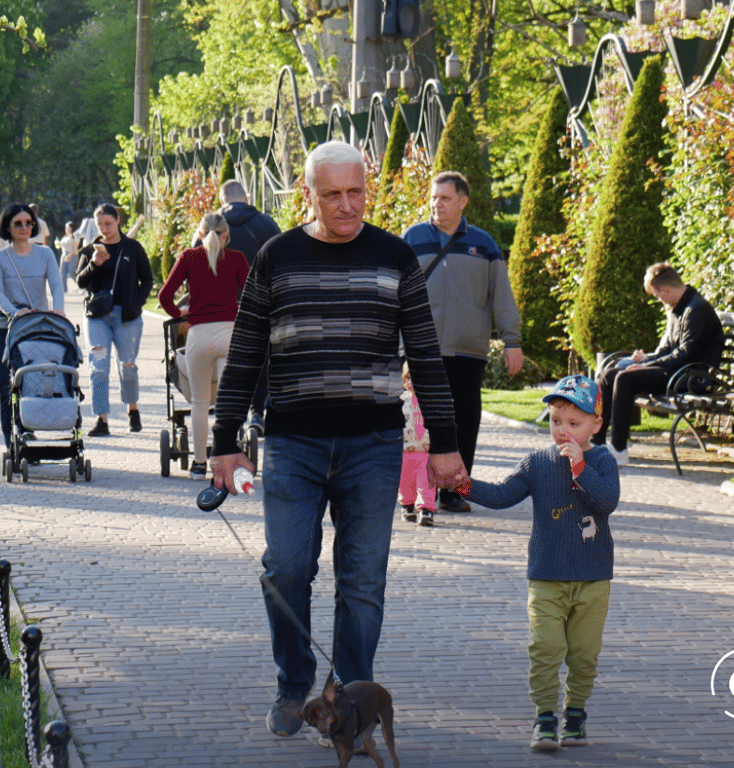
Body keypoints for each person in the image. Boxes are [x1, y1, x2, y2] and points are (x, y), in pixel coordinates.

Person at [208, 141, 467, 739]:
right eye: (332, 195)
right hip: (294, 444)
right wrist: (224, 440)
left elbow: (425, 355)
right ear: (309, 194)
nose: (347, 206)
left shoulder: (395, 256)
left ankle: (350, 700)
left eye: (356, 192)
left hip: (373, 446)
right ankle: (293, 682)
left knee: (363, 581)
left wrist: (445, 443)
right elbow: (245, 351)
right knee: (285, 567)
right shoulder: (278, 256)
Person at [462, 374, 620, 751]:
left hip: (593, 578)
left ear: (596, 425)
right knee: (545, 648)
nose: (563, 430)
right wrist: (461, 483)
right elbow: (501, 496)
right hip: (546, 576)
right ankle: (545, 717)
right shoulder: (537, 463)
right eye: (555, 421)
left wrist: (581, 467)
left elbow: (606, 502)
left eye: (574, 423)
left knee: (584, 654)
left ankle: (576, 713)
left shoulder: (602, 461)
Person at [402, 170, 524, 513]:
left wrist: (512, 340)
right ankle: (419, 490)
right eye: (433, 197)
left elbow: (501, 296)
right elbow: (396, 295)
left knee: (465, 420)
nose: (436, 204)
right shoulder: (412, 238)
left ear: (463, 201)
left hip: (468, 352)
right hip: (422, 351)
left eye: (445, 198)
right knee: (420, 422)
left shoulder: (484, 244)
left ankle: (454, 490)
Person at [595, 262, 724, 467]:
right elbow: (666, 351)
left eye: (657, 295)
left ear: (665, 289)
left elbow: (686, 355)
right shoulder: (677, 308)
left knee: (625, 379)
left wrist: (646, 367)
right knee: (610, 374)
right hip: (675, 370)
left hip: (690, 377)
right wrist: (645, 360)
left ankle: (618, 449)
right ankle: (597, 443)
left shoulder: (697, 311)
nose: (659, 300)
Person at [158, 212, 250, 480]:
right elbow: (255, 294)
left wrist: (180, 312)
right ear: (226, 236)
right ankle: (226, 461)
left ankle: (198, 465)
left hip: (199, 335)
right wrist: (239, 309)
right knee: (225, 403)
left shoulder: (189, 257)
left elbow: (164, 297)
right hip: (229, 335)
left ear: (200, 234)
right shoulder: (236, 259)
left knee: (200, 402)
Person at [0, 203, 66, 448]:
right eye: (17, 224)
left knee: (32, 381)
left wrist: (59, 309)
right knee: (7, 387)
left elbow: (56, 285)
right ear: (7, 228)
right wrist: (14, 312)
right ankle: (10, 439)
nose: (24, 228)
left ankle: (27, 430)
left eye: (28, 223)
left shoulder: (45, 254)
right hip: (7, 328)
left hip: (37, 326)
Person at [75, 203, 153, 436]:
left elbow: (147, 279)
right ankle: (102, 419)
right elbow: (79, 281)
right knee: (98, 367)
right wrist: (94, 264)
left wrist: (135, 303)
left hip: (127, 316)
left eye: (108, 223)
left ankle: (133, 409)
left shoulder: (132, 248)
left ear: (118, 220)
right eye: (100, 224)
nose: (104, 228)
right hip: (97, 317)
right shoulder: (91, 250)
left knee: (127, 366)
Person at [217, 179, 283, 434]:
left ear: (223, 200)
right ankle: (257, 412)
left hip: (219, 309)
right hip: (259, 303)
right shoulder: (265, 223)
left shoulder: (211, 224)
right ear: (246, 197)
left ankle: (230, 414)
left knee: (227, 359)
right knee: (261, 359)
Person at [399, 362, 436, 527]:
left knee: (426, 481)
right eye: (407, 379)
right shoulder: (400, 401)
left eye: (414, 378)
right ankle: (407, 505)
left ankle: (426, 509)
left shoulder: (429, 400)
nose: (410, 383)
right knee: (406, 480)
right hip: (406, 449)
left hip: (426, 450)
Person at [58, 220, 81, 291]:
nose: (66, 229)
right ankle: (63, 288)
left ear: (71, 228)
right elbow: (62, 245)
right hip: (64, 254)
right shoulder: (65, 236)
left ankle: (81, 285)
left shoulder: (75, 236)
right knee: (62, 271)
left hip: (72, 254)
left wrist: (70, 255)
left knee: (71, 272)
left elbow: (75, 247)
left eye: (67, 227)